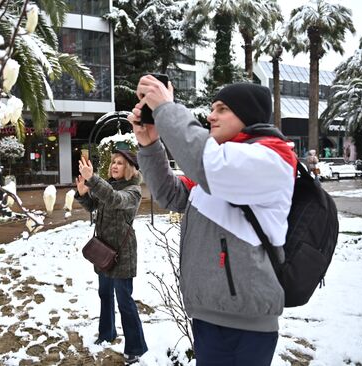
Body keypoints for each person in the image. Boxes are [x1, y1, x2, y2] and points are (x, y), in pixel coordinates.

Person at [128, 78, 297, 366]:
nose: (210, 116)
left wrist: (168, 109)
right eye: (211, 108)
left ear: (247, 115)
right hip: (208, 314)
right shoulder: (221, 162)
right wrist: (150, 143)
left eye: (222, 109)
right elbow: (172, 194)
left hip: (246, 325)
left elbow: (211, 166)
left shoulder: (272, 157)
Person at [74, 149, 148, 365]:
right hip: (103, 250)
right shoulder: (108, 186)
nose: (114, 166)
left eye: (120, 163)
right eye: (113, 162)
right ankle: (107, 333)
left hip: (122, 255)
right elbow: (94, 206)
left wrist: (93, 180)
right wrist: (83, 193)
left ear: (130, 168)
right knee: (104, 294)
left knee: (124, 300)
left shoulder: (133, 191)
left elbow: (115, 200)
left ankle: (136, 347)